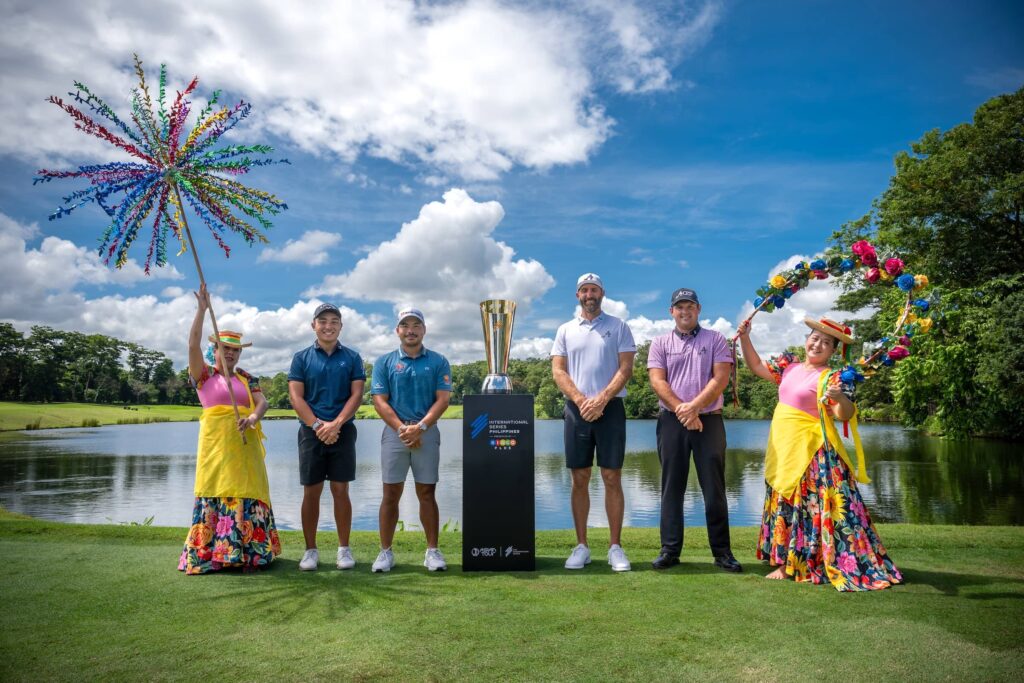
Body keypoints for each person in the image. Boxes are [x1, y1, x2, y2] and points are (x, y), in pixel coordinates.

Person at [737, 316, 903, 591]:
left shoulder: (833, 378)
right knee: (786, 502)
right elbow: (755, 367)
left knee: (808, 506)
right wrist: (745, 337)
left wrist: (839, 398)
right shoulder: (788, 367)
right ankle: (785, 561)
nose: (818, 344)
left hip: (813, 453)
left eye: (826, 342)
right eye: (815, 338)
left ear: (833, 351)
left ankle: (806, 562)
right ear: (806, 340)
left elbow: (844, 414)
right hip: (784, 447)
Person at [179, 284, 280, 574]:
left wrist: (252, 419)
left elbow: (263, 403)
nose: (232, 354)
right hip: (217, 448)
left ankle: (251, 555)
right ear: (215, 351)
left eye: (235, 350)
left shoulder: (248, 378)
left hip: (245, 448)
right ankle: (214, 555)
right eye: (226, 349)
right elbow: (191, 345)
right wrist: (201, 310)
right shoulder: (204, 376)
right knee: (216, 490)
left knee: (248, 491)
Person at [647, 288, 741, 572]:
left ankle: (722, 553)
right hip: (671, 421)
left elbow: (720, 379)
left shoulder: (715, 339)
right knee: (671, 487)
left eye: (689, 306)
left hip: (708, 420)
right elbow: (657, 382)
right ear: (671, 311)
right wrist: (683, 411)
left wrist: (694, 409)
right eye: (679, 307)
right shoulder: (660, 343)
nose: (684, 311)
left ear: (698, 309)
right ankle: (670, 551)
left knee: (714, 488)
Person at [551, 273, 637, 571]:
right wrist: (581, 400)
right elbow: (559, 372)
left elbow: (626, 369)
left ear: (602, 294)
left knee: (612, 476)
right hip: (576, 410)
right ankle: (582, 546)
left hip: (610, 409)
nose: (590, 294)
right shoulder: (565, 329)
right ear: (578, 295)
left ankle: (615, 546)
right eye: (585, 290)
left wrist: (600, 400)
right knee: (579, 478)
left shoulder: (619, 326)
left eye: (595, 290)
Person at [370, 308, 452, 573]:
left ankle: (432, 551)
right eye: (405, 325)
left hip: (427, 432)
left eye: (417, 325)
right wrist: (403, 430)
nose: (411, 330)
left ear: (424, 330)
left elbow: (443, 399)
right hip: (395, 435)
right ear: (398, 331)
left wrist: (421, 427)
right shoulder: (384, 362)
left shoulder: (438, 361)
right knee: (390, 493)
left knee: (427, 492)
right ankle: (385, 552)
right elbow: (379, 401)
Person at [288, 303, 366, 571]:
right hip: (311, 432)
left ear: (341, 326)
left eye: (334, 321)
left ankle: (344, 549)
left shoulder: (353, 357)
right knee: (311, 491)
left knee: (340, 490)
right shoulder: (301, 358)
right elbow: (296, 396)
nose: (328, 325)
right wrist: (319, 425)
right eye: (323, 321)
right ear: (314, 325)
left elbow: (357, 395)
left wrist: (336, 424)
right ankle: (310, 550)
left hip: (343, 431)